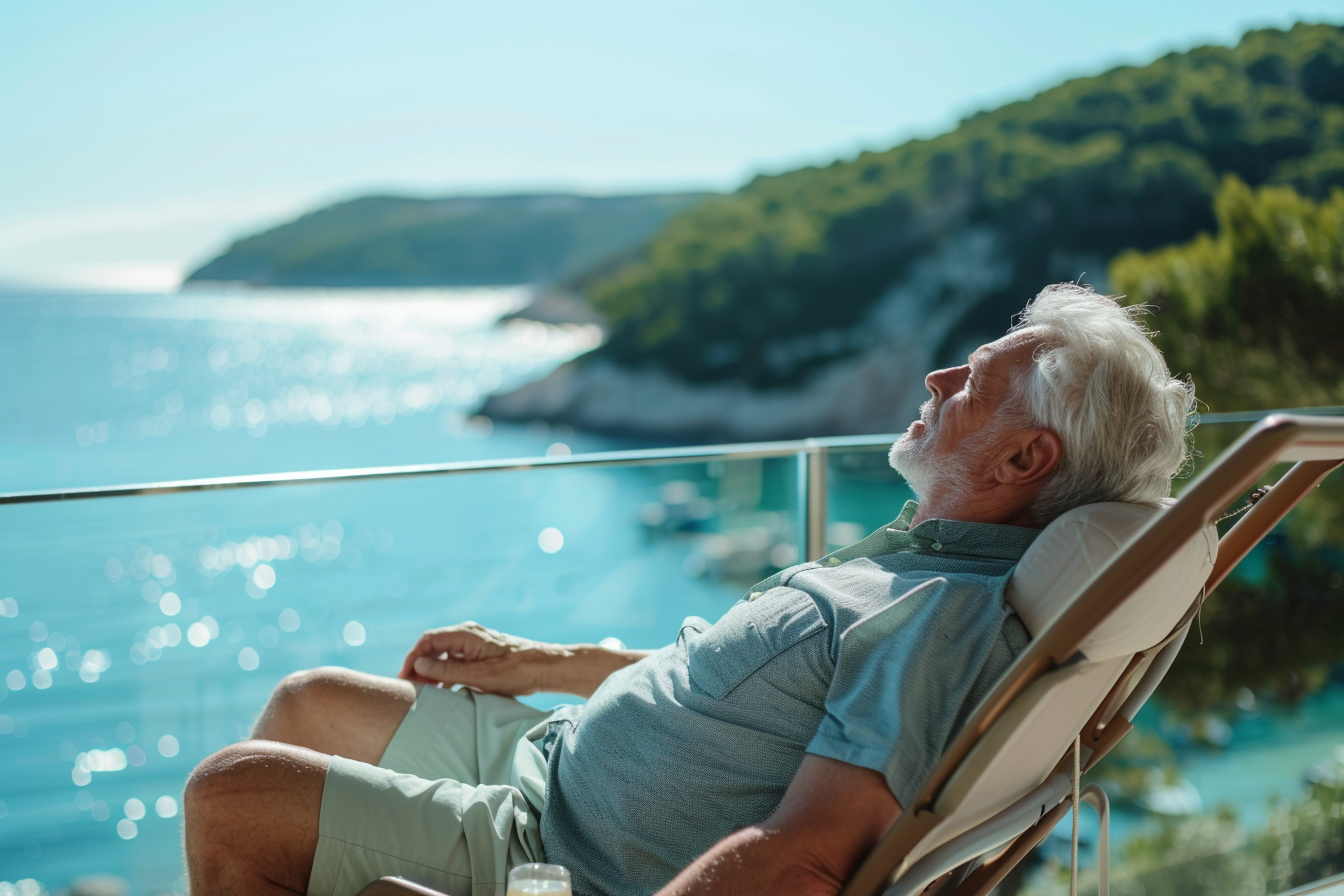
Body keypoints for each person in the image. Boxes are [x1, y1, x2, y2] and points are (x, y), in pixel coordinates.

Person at [183, 284, 1195, 896]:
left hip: (564, 850)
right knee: (309, 699)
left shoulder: (935, 617)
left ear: (1025, 456)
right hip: (554, 763)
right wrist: (541, 661)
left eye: (970, 381)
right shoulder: (922, 560)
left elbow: (803, 856)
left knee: (231, 796)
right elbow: (731, 691)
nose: (934, 380)